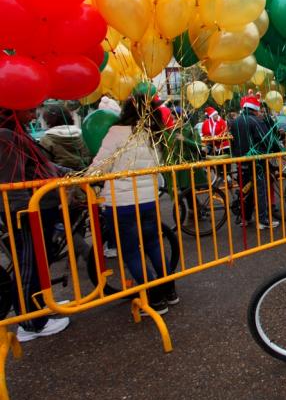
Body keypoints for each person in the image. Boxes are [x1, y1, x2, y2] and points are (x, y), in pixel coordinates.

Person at [88, 95, 178, 315]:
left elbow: (100, 164)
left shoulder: (117, 132)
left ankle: (155, 299)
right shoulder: (153, 133)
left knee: (131, 251)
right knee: (154, 244)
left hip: (122, 203)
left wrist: (86, 178)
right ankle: (169, 291)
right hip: (148, 200)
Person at [0, 108, 71, 341]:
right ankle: (31, 323)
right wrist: (25, 210)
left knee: (38, 259)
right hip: (26, 209)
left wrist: (69, 173)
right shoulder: (6, 136)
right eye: (29, 110)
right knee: (29, 263)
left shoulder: (15, 133)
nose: (33, 116)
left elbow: (39, 166)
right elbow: (14, 182)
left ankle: (41, 303)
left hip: (35, 206)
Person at [229, 96, 280, 229]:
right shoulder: (256, 121)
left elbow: (233, 142)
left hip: (241, 161)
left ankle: (245, 218)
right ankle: (263, 221)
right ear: (255, 110)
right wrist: (279, 150)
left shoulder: (235, 122)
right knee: (260, 189)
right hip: (257, 161)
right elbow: (267, 139)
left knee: (246, 189)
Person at [39, 104, 92, 171]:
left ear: (47, 120)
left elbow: (45, 164)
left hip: (61, 179)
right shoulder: (81, 134)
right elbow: (88, 156)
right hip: (84, 176)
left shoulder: (46, 139)